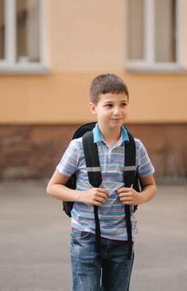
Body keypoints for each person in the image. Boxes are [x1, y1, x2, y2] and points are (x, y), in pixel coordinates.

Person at [46, 73, 157, 291]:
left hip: (122, 238)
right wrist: (82, 195)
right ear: (93, 108)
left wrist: (140, 196)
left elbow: (150, 186)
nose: (117, 111)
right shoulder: (79, 147)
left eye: (123, 104)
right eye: (109, 105)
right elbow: (53, 187)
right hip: (85, 235)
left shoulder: (136, 147)